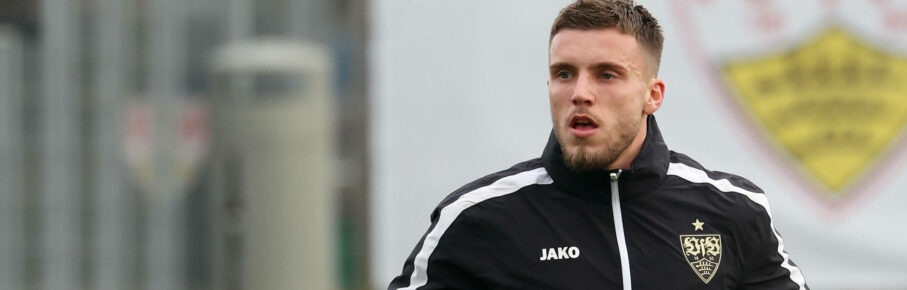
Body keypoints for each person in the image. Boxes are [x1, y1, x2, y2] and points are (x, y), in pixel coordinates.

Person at [388, 0, 808, 289]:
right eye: (564, 73)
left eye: (606, 75)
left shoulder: (733, 210)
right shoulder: (476, 219)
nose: (580, 93)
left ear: (653, 94)